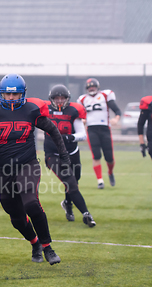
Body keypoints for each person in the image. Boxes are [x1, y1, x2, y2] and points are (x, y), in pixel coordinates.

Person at [0, 73, 71, 265]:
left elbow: (53, 130)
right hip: (3, 168)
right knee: (15, 216)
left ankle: (47, 247)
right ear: (1, 94)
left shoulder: (31, 110)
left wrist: (64, 155)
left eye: (15, 95)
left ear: (22, 94)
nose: (11, 98)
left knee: (31, 203)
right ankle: (34, 243)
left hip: (27, 164)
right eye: (8, 95)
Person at [44, 84, 95, 227]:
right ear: (51, 99)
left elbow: (82, 134)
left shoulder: (74, 111)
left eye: (62, 98)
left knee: (74, 181)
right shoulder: (45, 111)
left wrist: (68, 138)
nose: (60, 101)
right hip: (52, 154)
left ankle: (67, 203)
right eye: (57, 98)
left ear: (68, 98)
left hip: (72, 152)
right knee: (70, 182)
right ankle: (86, 214)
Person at [77, 78, 122, 189]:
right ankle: (100, 181)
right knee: (96, 155)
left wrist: (116, 119)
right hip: (91, 129)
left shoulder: (105, 95)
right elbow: (79, 115)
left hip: (105, 128)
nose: (92, 88)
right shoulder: (82, 99)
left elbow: (117, 110)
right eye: (89, 87)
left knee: (109, 157)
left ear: (98, 87)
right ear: (86, 89)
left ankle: (110, 172)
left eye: (93, 86)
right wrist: (82, 120)